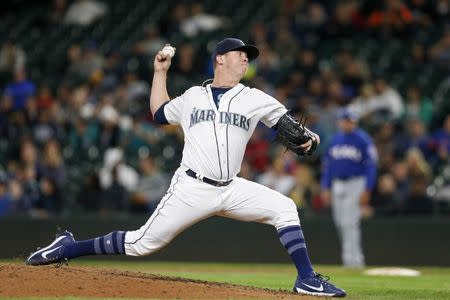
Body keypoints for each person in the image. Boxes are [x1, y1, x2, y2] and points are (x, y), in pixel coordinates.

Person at [26, 38, 346, 297]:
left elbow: (297, 130)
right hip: (192, 188)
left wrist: (310, 142)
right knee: (141, 244)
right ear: (220, 59)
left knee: (285, 208)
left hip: (232, 188)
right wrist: (160, 72)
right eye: (241, 54)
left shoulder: (256, 98)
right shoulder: (194, 96)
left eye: (249, 56)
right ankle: (70, 246)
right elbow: (159, 113)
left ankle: (307, 280)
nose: (247, 59)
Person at [320, 108, 378, 268]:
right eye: (346, 121)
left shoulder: (363, 139)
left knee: (350, 222)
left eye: (352, 121)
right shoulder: (335, 139)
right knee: (339, 222)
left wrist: (367, 188)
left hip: (356, 183)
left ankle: (354, 261)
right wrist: (325, 186)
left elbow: (372, 166)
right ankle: (350, 259)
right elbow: (327, 166)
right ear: (341, 121)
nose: (349, 124)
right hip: (338, 184)